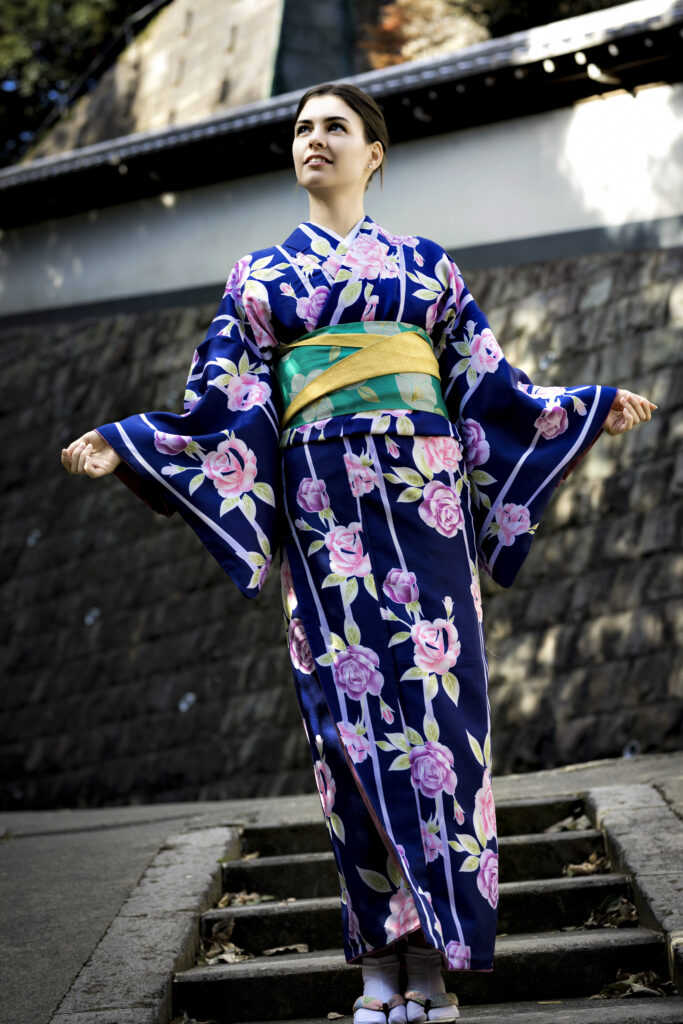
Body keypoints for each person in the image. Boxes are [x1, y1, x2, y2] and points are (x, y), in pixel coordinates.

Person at [62, 82, 655, 1024]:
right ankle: (379, 958)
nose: (314, 140)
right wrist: (133, 443)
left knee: (442, 721)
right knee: (342, 729)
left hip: (428, 511)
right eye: (302, 129)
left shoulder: (428, 269)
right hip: (320, 513)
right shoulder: (258, 278)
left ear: (374, 152)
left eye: (335, 127)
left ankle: (435, 962)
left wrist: (580, 411)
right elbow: (221, 406)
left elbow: (492, 388)